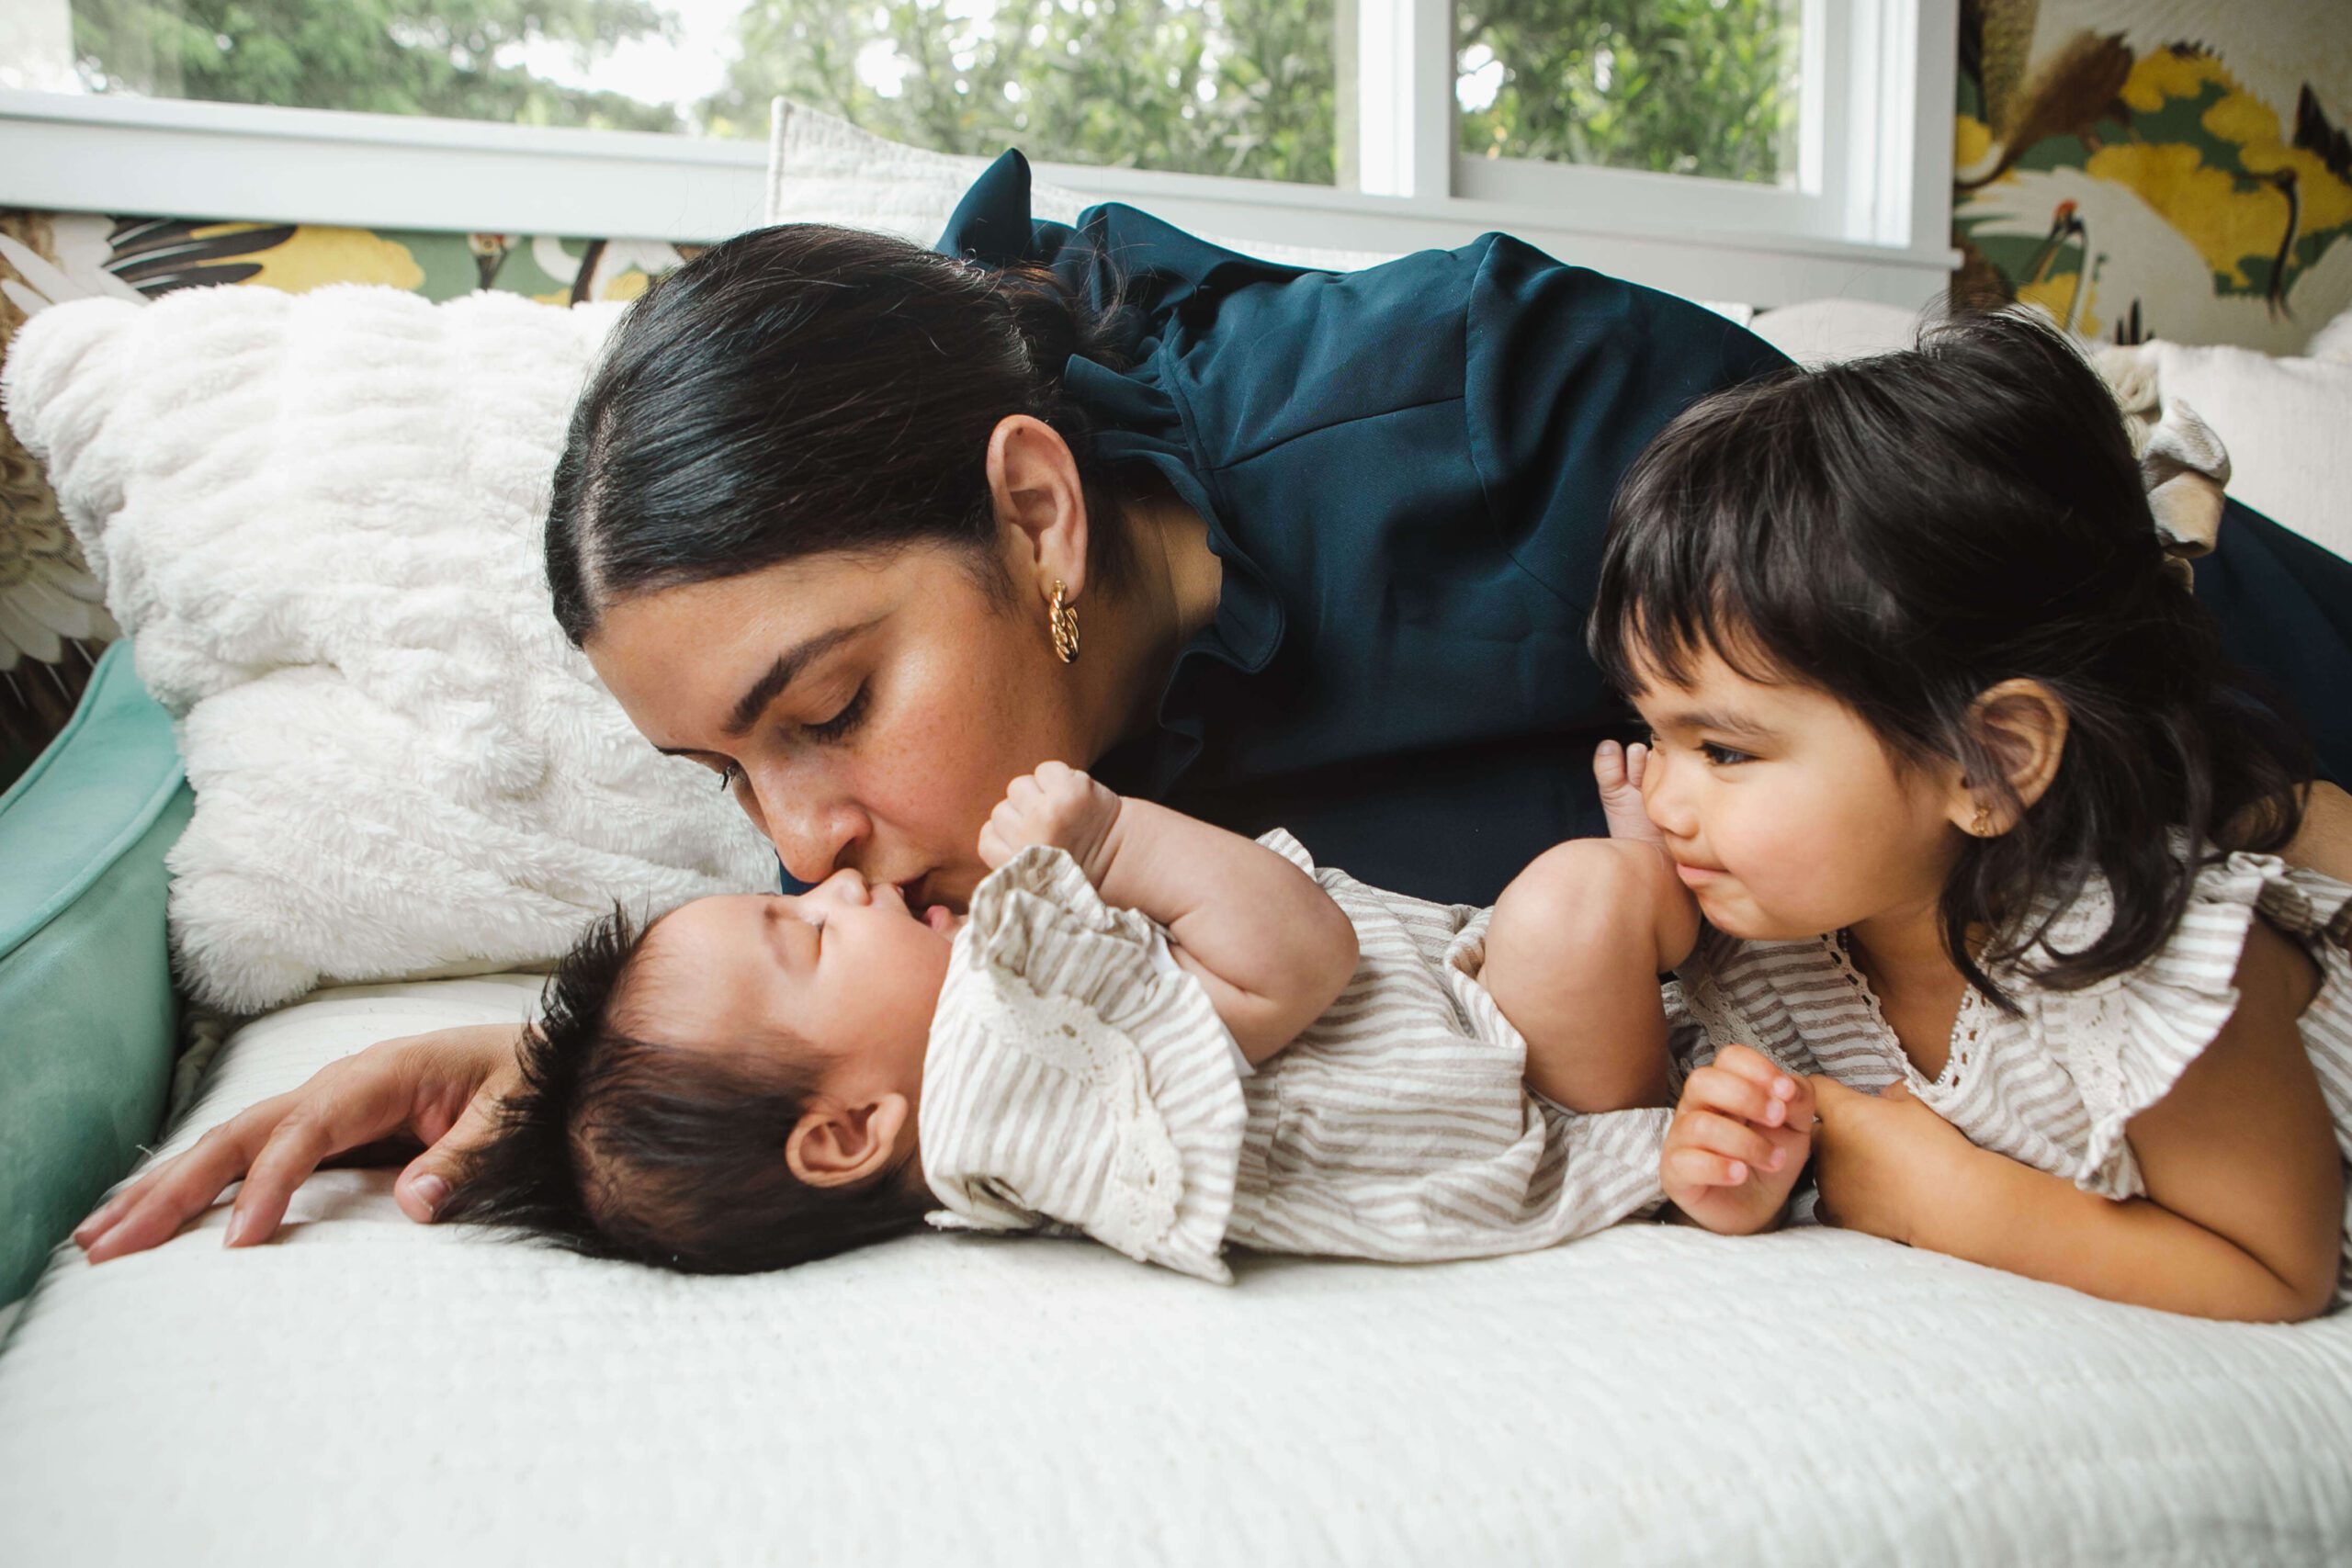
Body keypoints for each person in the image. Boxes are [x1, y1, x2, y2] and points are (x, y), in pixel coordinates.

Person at [73, 152, 2352, 1265]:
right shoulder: (1010, 812)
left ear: (1039, 513)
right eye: (729, 778)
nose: (794, 842)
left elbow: (2014, 699)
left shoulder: (1525, 436)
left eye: (828, 707)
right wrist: (609, 1069)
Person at [1581, 310, 2348, 1322]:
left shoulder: (2142, 960)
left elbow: (2277, 1270)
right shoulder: (1775, 946)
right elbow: (1840, 1148)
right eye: (1654, 735)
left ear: (1987, 765)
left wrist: (1949, 1200)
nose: (1659, 799)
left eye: (1722, 750)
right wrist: (1752, 1163)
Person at [437, 761, 1694, 1278]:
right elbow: (1299, 955)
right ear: (850, 1132)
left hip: (1471, 1016)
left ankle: (1668, 947)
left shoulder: (1001, 1079)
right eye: (811, 933)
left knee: (1577, 912)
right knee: (1579, 899)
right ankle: (1668, 943)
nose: (837, 880)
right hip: (1527, 1082)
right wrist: (1111, 835)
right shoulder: (1019, 1074)